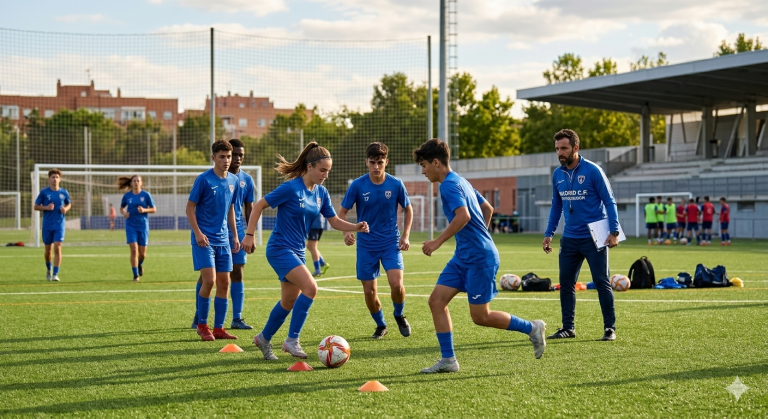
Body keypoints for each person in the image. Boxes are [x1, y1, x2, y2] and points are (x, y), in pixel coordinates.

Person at [414, 139, 546, 374]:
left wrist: (437, 242)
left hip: (479, 259)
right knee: (436, 301)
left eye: (424, 165)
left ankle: (532, 328)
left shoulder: (448, 185)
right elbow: (488, 209)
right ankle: (448, 360)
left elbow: (463, 216)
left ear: (436, 162)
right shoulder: (462, 181)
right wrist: (478, 237)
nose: (423, 171)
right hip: (463, 256)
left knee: (481, 316)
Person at [241, 142, 369, 360]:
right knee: (311, 288)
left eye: (328, 171)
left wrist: (354, 226)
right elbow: (259, 205)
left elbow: (335, 221)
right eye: (322, 170)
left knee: (288, 301)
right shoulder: (291, 188)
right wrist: (249, 234)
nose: (325, 175)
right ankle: (292, 340)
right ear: (309, 167)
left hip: (298, 251)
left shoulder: (321, 193)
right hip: (280, 248)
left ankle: (263, 339)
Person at [542, 129, 620, 342]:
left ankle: (609, 328)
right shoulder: (557, 174)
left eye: (564, 148)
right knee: (565, 283)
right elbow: (556, 205)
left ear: (575, 148)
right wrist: (549, 233)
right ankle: (568, 327)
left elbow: (609, 201)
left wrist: (614, 232)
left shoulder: (593, 171)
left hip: (595, 237)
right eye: (557, 148)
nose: (560, 152)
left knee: (601, 282)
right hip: (569, 239)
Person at [338, 142, 413, 339]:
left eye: (380, 162)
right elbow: (342, 213)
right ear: (367, 162)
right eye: (373, 162)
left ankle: (399, 314)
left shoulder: (396, 184)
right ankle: (381, 325)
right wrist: (347, 232)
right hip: (366, 246)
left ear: (386, 162)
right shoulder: (357, 185)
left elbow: (408, 209)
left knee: (396, 285)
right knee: (370, 293)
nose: (376, 167)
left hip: (390, 243)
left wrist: (405, 235)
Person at [192, 139, 255, 330]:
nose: (235, 158)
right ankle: (199, 315)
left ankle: (236, 318)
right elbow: (191, 207)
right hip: (212, 233)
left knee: (237, 273)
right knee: (207, 278)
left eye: (238, 155)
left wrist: (249, 235)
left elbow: (248, 208)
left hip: (235, 233)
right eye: (231, 154)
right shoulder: (207, 178)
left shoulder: (245, 180)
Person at [186, 140, 240, 342]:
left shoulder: (234, 180)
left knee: (225, 283)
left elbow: (231, 209)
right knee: (209, 281)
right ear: (213, 158)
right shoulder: (203, 180)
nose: (226, 160)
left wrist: (235, 235)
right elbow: (189, 208)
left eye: (228, 156)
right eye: (222, 157)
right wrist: (198, 233)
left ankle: (219, 328)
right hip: (204, 240)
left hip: (223, 239)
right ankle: (202, 325)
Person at [33, 169, 71, 282]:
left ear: (60, 179)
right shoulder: (44, 192)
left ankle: (55, 274)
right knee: (48, 250)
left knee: (58, 248)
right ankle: (48, 269)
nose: (55, 179)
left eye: (57, 177)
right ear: (49, 179)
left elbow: (69, 204)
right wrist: (46, 208)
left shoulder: (64, 192)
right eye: (53, 177)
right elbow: (36, 206)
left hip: (59, 225)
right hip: (47, 225)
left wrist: (66, 209)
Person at [118, 175, 157, 281]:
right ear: (131, 183)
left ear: (141, 183)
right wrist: (124, 213)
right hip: (131, 226)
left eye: (138, 181)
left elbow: (154, 209)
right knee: (134, 250)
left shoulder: (146, 195)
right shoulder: (127, 196)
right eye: (134, 181)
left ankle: (139, 264)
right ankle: (135, 275)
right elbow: (121, 208)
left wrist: (144, 210)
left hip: (143, 226)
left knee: (142, 254)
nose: (136, 183)